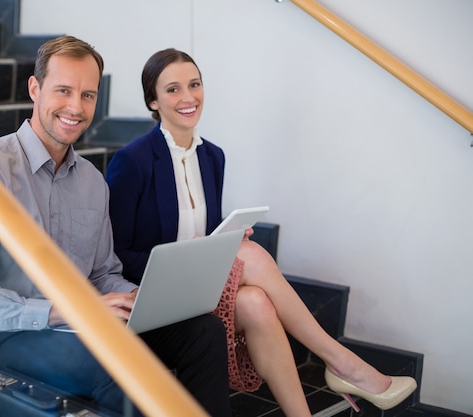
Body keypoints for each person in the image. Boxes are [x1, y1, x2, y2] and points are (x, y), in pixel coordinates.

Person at [105, 48, 418, 416]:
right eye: (173, 89)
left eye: (195, 84)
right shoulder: (132, 161)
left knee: (256, 302)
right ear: (153, 101)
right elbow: (117, 256)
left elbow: (206, 236)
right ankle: (343, 363)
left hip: (196, 288)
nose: (188, 97)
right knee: (250, 256)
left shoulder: (213, 157)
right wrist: (181, 256)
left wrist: (219, 243)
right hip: (150, 294)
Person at [0, 37, 232, 417]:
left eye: (88, 95)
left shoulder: (93, 183)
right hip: (8, 334)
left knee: (204, 333)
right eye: (63, 91)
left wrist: (139, 298)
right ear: (35, 88)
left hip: (84, 321)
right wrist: (67, 311)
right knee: (118, 363)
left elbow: (102, 273)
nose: (76, 108)